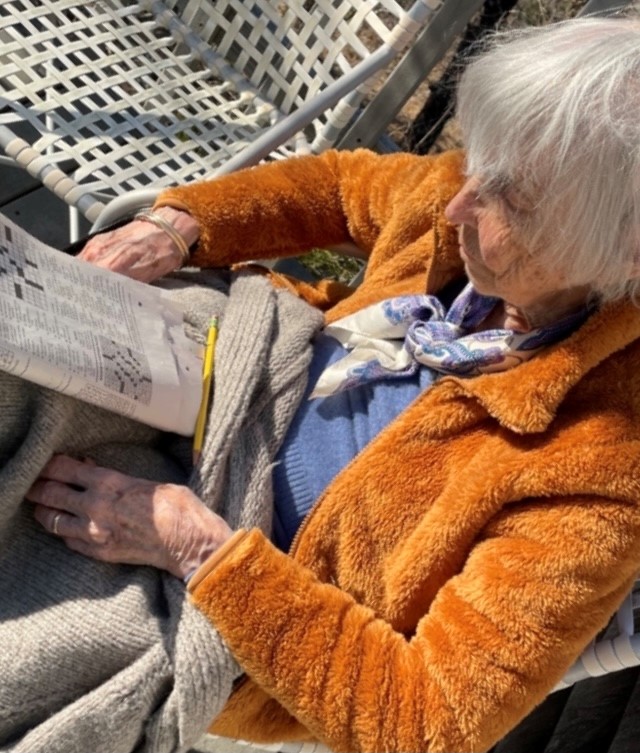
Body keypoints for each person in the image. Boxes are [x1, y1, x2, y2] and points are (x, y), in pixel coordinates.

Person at [24, 13, 640, 753]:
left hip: (211, 572)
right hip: (218, 371)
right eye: (476, 160)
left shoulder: (601, 468)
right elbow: (341, 184)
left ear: (626, 257)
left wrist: (201, 554)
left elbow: (428, 719)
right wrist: (182, 225)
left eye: (512, 199)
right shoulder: (485, 196)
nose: (456, 204)